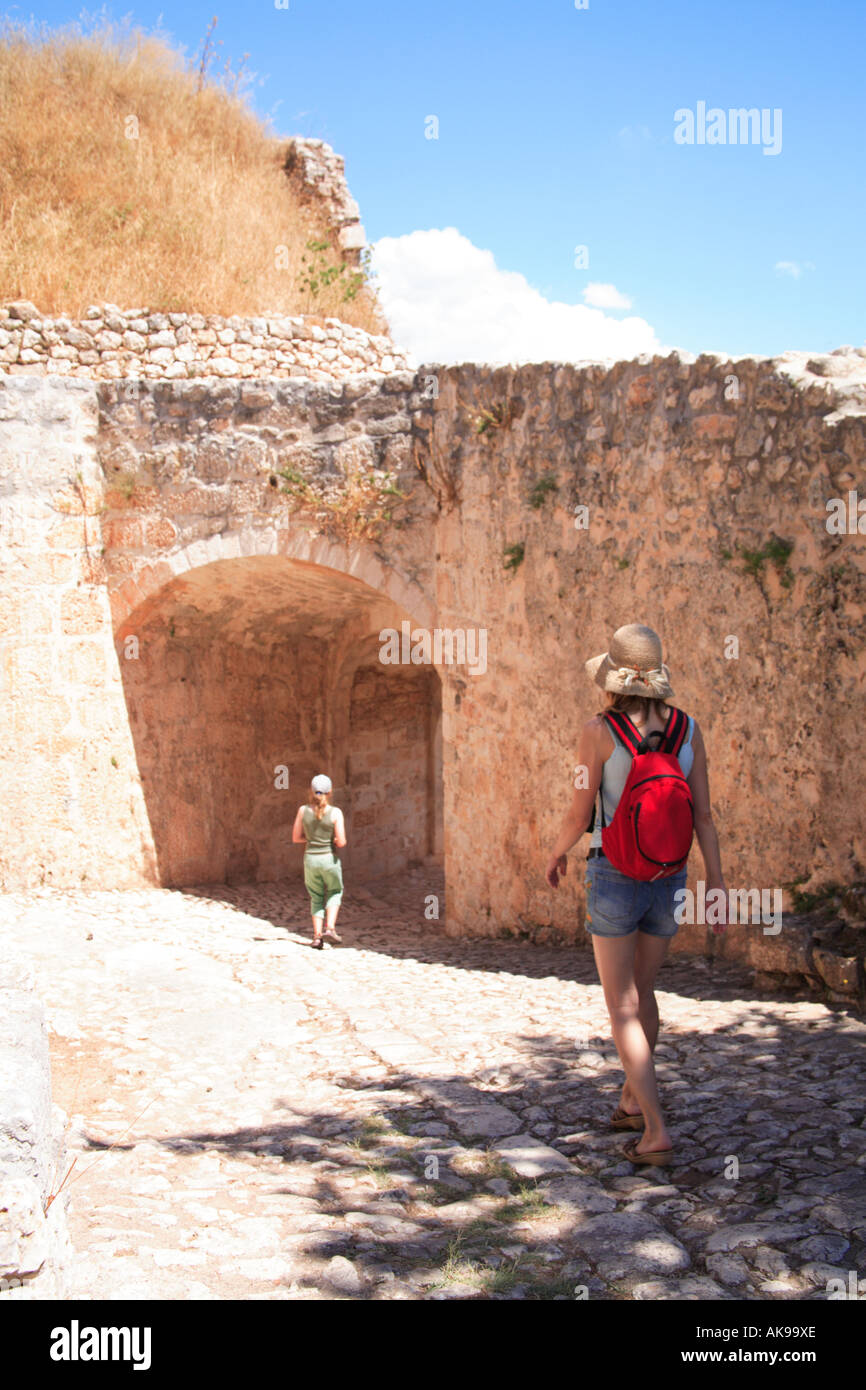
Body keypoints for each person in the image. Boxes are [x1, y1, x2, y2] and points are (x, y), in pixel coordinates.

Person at [546, 623, 727, 1166]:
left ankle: (654, 1130)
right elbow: (705, 815)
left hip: (613, 875)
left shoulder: (598, 732)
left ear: (612, 679)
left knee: (621, 1006)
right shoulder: (689, 730)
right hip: (669, 878)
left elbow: (581, 813)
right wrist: (716, 882)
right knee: (644, 994)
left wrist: (555, 852)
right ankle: (631, 1098)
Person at [292, 774, 347, 950]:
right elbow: (342, 841)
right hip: (328, 858)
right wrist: (332, 840)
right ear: (330, 791)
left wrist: (311, 839)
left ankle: (316, 937)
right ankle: (330, 928)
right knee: (334, 891)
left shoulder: (302, 811)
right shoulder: (335, 813)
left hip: (311, 859)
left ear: (311, 791)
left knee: (316, 896)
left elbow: (296, 837)